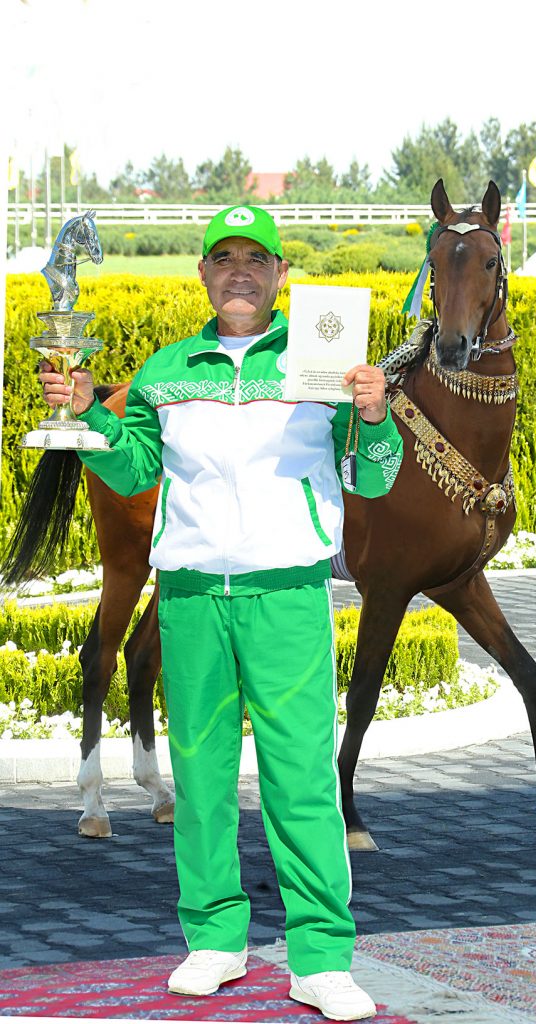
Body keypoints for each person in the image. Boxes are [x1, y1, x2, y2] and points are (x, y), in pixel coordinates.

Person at [39, 205, 404, 1021]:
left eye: (255, 258)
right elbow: (134, 470)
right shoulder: (167, 371)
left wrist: (375, 414)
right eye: (223, 258)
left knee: (300, 781)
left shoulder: (326, 364)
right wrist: (91, 408)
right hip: (194, 595)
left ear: (280, 273)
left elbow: (374, 479)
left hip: (285, 595)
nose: (239, 271)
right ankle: (213, 939)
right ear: (202, 274)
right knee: (201, 779)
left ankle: (320, 958)